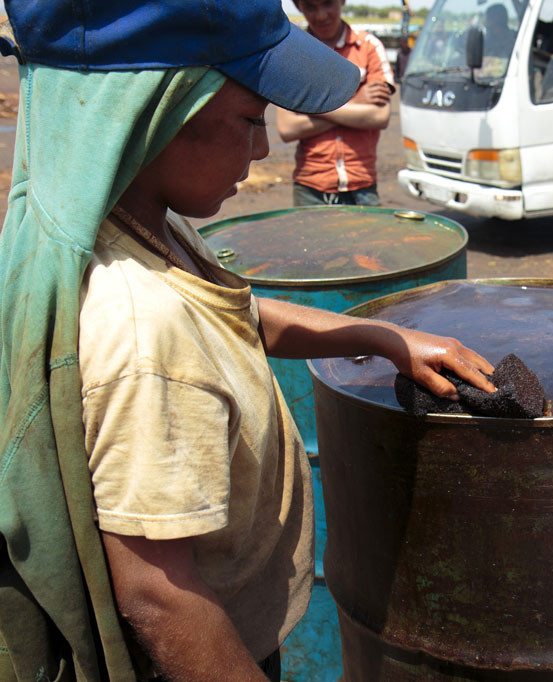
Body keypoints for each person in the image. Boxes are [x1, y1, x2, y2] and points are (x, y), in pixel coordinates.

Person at [0, 1, 495, 680]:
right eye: (250, 121)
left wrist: (382, 337)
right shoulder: (143, 330)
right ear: (154, 114)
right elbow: (160, 597)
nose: (265, 149)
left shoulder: (141, 224)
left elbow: (236, 315)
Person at [276, 0, 396, 208]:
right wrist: (356, 101)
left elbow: (379, 117)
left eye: (328, 4)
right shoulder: (291, 55)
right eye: (311, 7)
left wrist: (310, 107)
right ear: (298, 7)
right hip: (311, 187)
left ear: (342, 1)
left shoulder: (368, 47)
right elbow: (287, 128)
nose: (321, 15)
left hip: (362, 185)